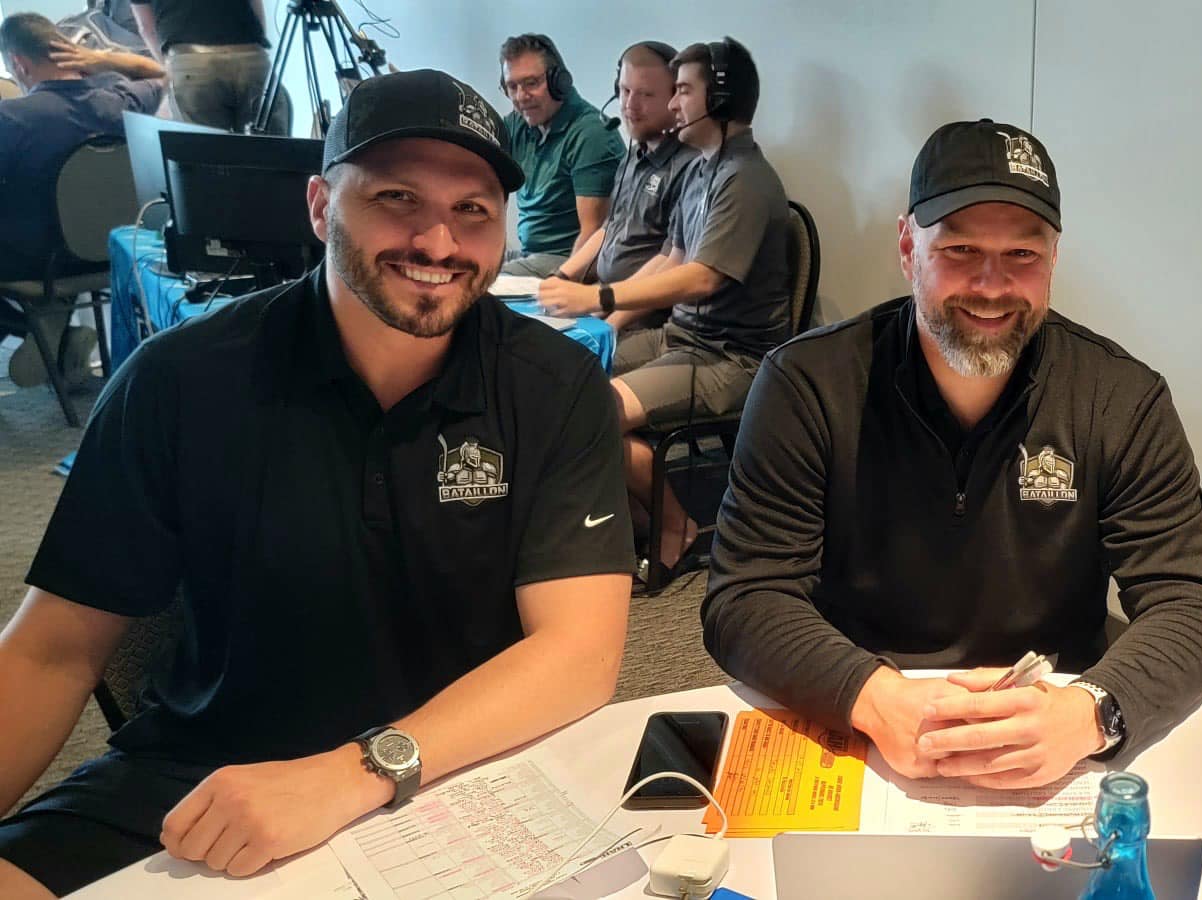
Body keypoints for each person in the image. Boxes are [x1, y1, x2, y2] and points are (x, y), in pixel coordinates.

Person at [0, 69, 636, 898]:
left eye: (472, 210)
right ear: (318, 206)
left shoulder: (554, 385)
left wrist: (355, 773)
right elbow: (53, 649)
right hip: (207, 769)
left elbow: (578, 653)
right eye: (398, 198)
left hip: (462, 765)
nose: (439, 243)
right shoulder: (182, 380)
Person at [700, 119, 1202, 790]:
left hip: (1057, 733)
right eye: (959, 250)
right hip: (856, 722)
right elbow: (745, 597)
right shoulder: (807, 384)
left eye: (1022, 255)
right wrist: (874, 695)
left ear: (1054, 258)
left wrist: (1091, 712)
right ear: (907, 247)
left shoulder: (1119, 398)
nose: (991, 285)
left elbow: (1195, 605)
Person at [536, 36, 791, 577]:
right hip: (682, 338)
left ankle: (674, 521)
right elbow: (671, 257)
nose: (672, 105)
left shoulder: (745, 179)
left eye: (682, 91)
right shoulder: (704, 167)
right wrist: (602, 319)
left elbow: (699, 279)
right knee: (561, 381)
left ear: (719, 101)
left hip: (731, 358)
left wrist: (599, 295)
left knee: (593, 406)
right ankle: (632, 511)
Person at [0, 12, 164, 384]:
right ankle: (53, 336)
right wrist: (104, 60)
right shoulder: (124, 102)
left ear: (19, 65)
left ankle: (35, 325)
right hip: (112, 254)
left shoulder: (10, 119)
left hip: (37, 264)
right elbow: (163, 72)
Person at [540, 39, 695, 343]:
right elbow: (608, 228)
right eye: (624, 91)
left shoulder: (689, 167)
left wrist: (608, 321)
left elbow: (670, 264)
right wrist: (561, 277)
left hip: (644, 320)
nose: (629, 105)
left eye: (646, 95)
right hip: (604, 301)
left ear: (675, 97)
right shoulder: (633, 156)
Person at [498, 32, 623, 277]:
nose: (521, 97)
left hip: (567, 258)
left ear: (560, 81)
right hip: (529, 254)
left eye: (531, 83)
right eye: (512, 86)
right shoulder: (519, 123)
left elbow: (594, 232)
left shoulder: (592, 134)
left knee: (481, 288)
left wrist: (562, 284)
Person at [127, 0, 288, 134]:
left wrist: (170, 68)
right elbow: (255, 4)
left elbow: (146, 28)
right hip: (251, 56)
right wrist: (256, 51)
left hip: (190, 63)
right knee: (270, 156)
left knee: (206, 161)